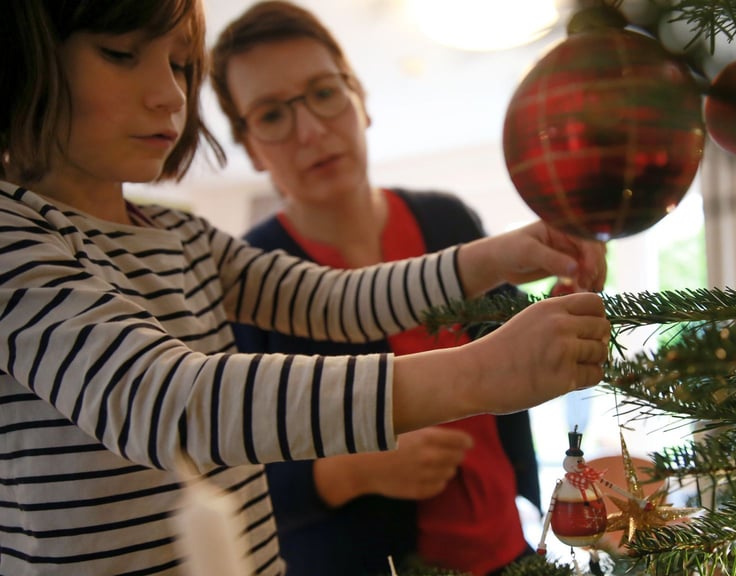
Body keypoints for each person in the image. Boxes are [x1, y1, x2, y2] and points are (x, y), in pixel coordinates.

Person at [0, 2, 611, 575]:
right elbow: (164, 400)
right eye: (120, 53)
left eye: (180, 65)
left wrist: (503, 253)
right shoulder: (15, 238)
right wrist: (479, 374)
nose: (170, 95)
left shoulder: (182, 235)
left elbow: (333, 301)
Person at [208, 3, 594, 575]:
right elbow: (224, 472)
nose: (311, 130)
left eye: (323, 93)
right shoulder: (247, 279)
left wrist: (564, 295)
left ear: (358, 98)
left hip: (509, 548)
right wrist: (348, 471)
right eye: (271, 115)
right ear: (249, 146)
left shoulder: (449, 221)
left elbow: (516, 359)